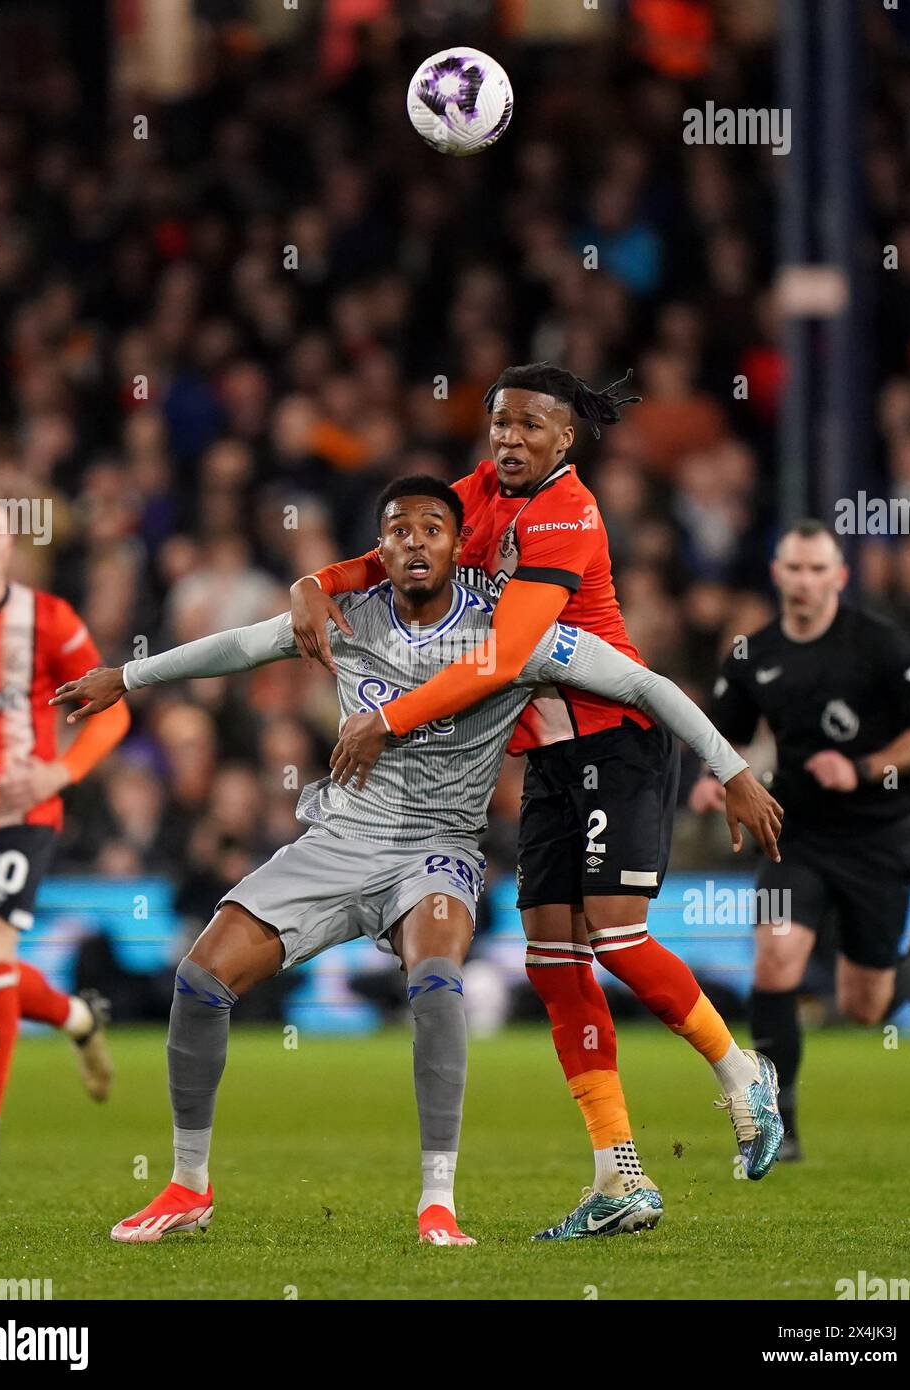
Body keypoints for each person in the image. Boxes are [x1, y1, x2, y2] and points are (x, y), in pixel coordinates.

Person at [53, 476, 779, 1245]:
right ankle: (187, 1188)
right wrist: (125, 677)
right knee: (199, 979)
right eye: (398, 531)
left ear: (457, 544)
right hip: (338, 840)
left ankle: (438, 1202)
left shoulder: (512, 633)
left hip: (437, 853)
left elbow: (643, 683)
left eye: (433, 528)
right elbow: (238, 648)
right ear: (382, 548)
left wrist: (731, 769)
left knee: (437, 984)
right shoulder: (345, 617)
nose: (415, 542)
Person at [290, 365, 785, 1237]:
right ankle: (619, 1174)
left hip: (616, 742)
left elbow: (499, 658)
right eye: (500, 423)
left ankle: (743, 1073)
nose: (510, 439)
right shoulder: (478, 490)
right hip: (548, 761)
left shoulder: (568, 514)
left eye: (530, 426)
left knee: (619, 936)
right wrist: (316, 583)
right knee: (553, 964)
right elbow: (403, 547)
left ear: (565, 440)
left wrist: (386, 721)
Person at [689, 519, 910, 1159]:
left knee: (865, 1007)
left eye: (816, 570)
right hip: (796, 836)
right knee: (775, 958)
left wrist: (863, 767)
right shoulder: (754, 652)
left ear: (840, 576)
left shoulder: (879, 645)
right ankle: (784, 1128)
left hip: (878, 839)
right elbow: (729, 736)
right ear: (777, 575)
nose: (804, 582)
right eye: (793, 569)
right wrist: (711, 778)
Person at [0, 489, 129, 1168]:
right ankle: (76, 1017)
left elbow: (111, 710)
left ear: (10, 546)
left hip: (20, 810)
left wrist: (59, 774)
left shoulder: (46, 621)